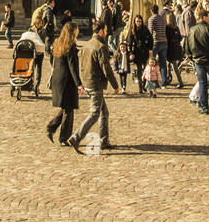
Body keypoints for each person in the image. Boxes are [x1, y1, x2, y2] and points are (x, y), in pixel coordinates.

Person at [69, 17, 119, 150]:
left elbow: (82, 65)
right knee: (95, 113)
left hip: (87, 82)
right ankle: (76, 137)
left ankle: (104, 140)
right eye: (106, 30)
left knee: (104, 112)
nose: (107, 33)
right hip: (95, 83)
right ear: (101, 31)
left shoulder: (86, 45)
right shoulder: (101, 47)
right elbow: (106, 69)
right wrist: (115, 85)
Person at [46, 22, 82, 146]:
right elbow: (73, 67)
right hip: (67, 81)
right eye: (77, 30)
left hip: (58, 79)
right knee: (69, 109)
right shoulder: (70, 46)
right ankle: (63, 137)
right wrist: (79, 84)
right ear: (73, 32)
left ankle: (51, 127)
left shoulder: (58, 44)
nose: (78, 32)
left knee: (66, 107)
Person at [16, 23, 45, 94]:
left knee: (34, 68)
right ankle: (33, 85)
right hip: (37, 52)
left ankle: (34, 85)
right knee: (35, 69)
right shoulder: (38, 32)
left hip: (32, 53)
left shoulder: (28, 34)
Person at [127, 13, 152, 94]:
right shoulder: (132, 30)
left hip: (144, 51)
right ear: (135, 22)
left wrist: (150, 49)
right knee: (139, 70)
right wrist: (131, 52)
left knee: (145, 69)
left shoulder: (145, 29)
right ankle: (140, 88)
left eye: (139, 21)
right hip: (137, 52)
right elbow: (130, 43)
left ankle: (145, 85)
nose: (138, 23)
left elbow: (150, 39)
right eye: (137, 21)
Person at [147, 4, 169, 89]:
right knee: (163, 63)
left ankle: (151, 81)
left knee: (150, 62)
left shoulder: (151, 19)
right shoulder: (162, 19)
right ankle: (164, 83)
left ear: (151, 11)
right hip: (164, 42)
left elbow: (150, 32)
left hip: (155, 42)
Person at [165, 9, 185, 89]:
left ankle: (180, 82)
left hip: (170, 48)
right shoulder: (176, 28)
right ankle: (168, 77)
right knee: (169, 64)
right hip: (176, 48)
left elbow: (166, 38)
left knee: (173, 66)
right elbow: (180, 38)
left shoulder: (167, 28)